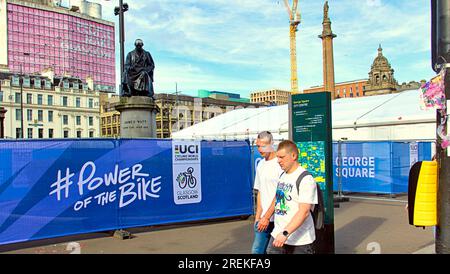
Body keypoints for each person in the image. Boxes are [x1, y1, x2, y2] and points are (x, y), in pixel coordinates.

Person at [267, 140, 318, 254]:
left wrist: (285, 233)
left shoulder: (306, 179)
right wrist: (266, 217)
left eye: (282, 157)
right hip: (277, 235)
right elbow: (278, 198)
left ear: (294, 156)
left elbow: (304, 212)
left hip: (300, 242)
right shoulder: (283, 175)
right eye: (277, 157)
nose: (278, 161)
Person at [251, 131, 283, 254]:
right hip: (263, 219)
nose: (260, 149)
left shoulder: (280, 164)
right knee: (257, 250)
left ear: (271, 143)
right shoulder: (261, 164)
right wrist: (258, 217)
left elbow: (280, 193)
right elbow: (260, 191)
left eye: (263, 145)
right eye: (258, 146)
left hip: (279, 218)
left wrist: (266, 216)